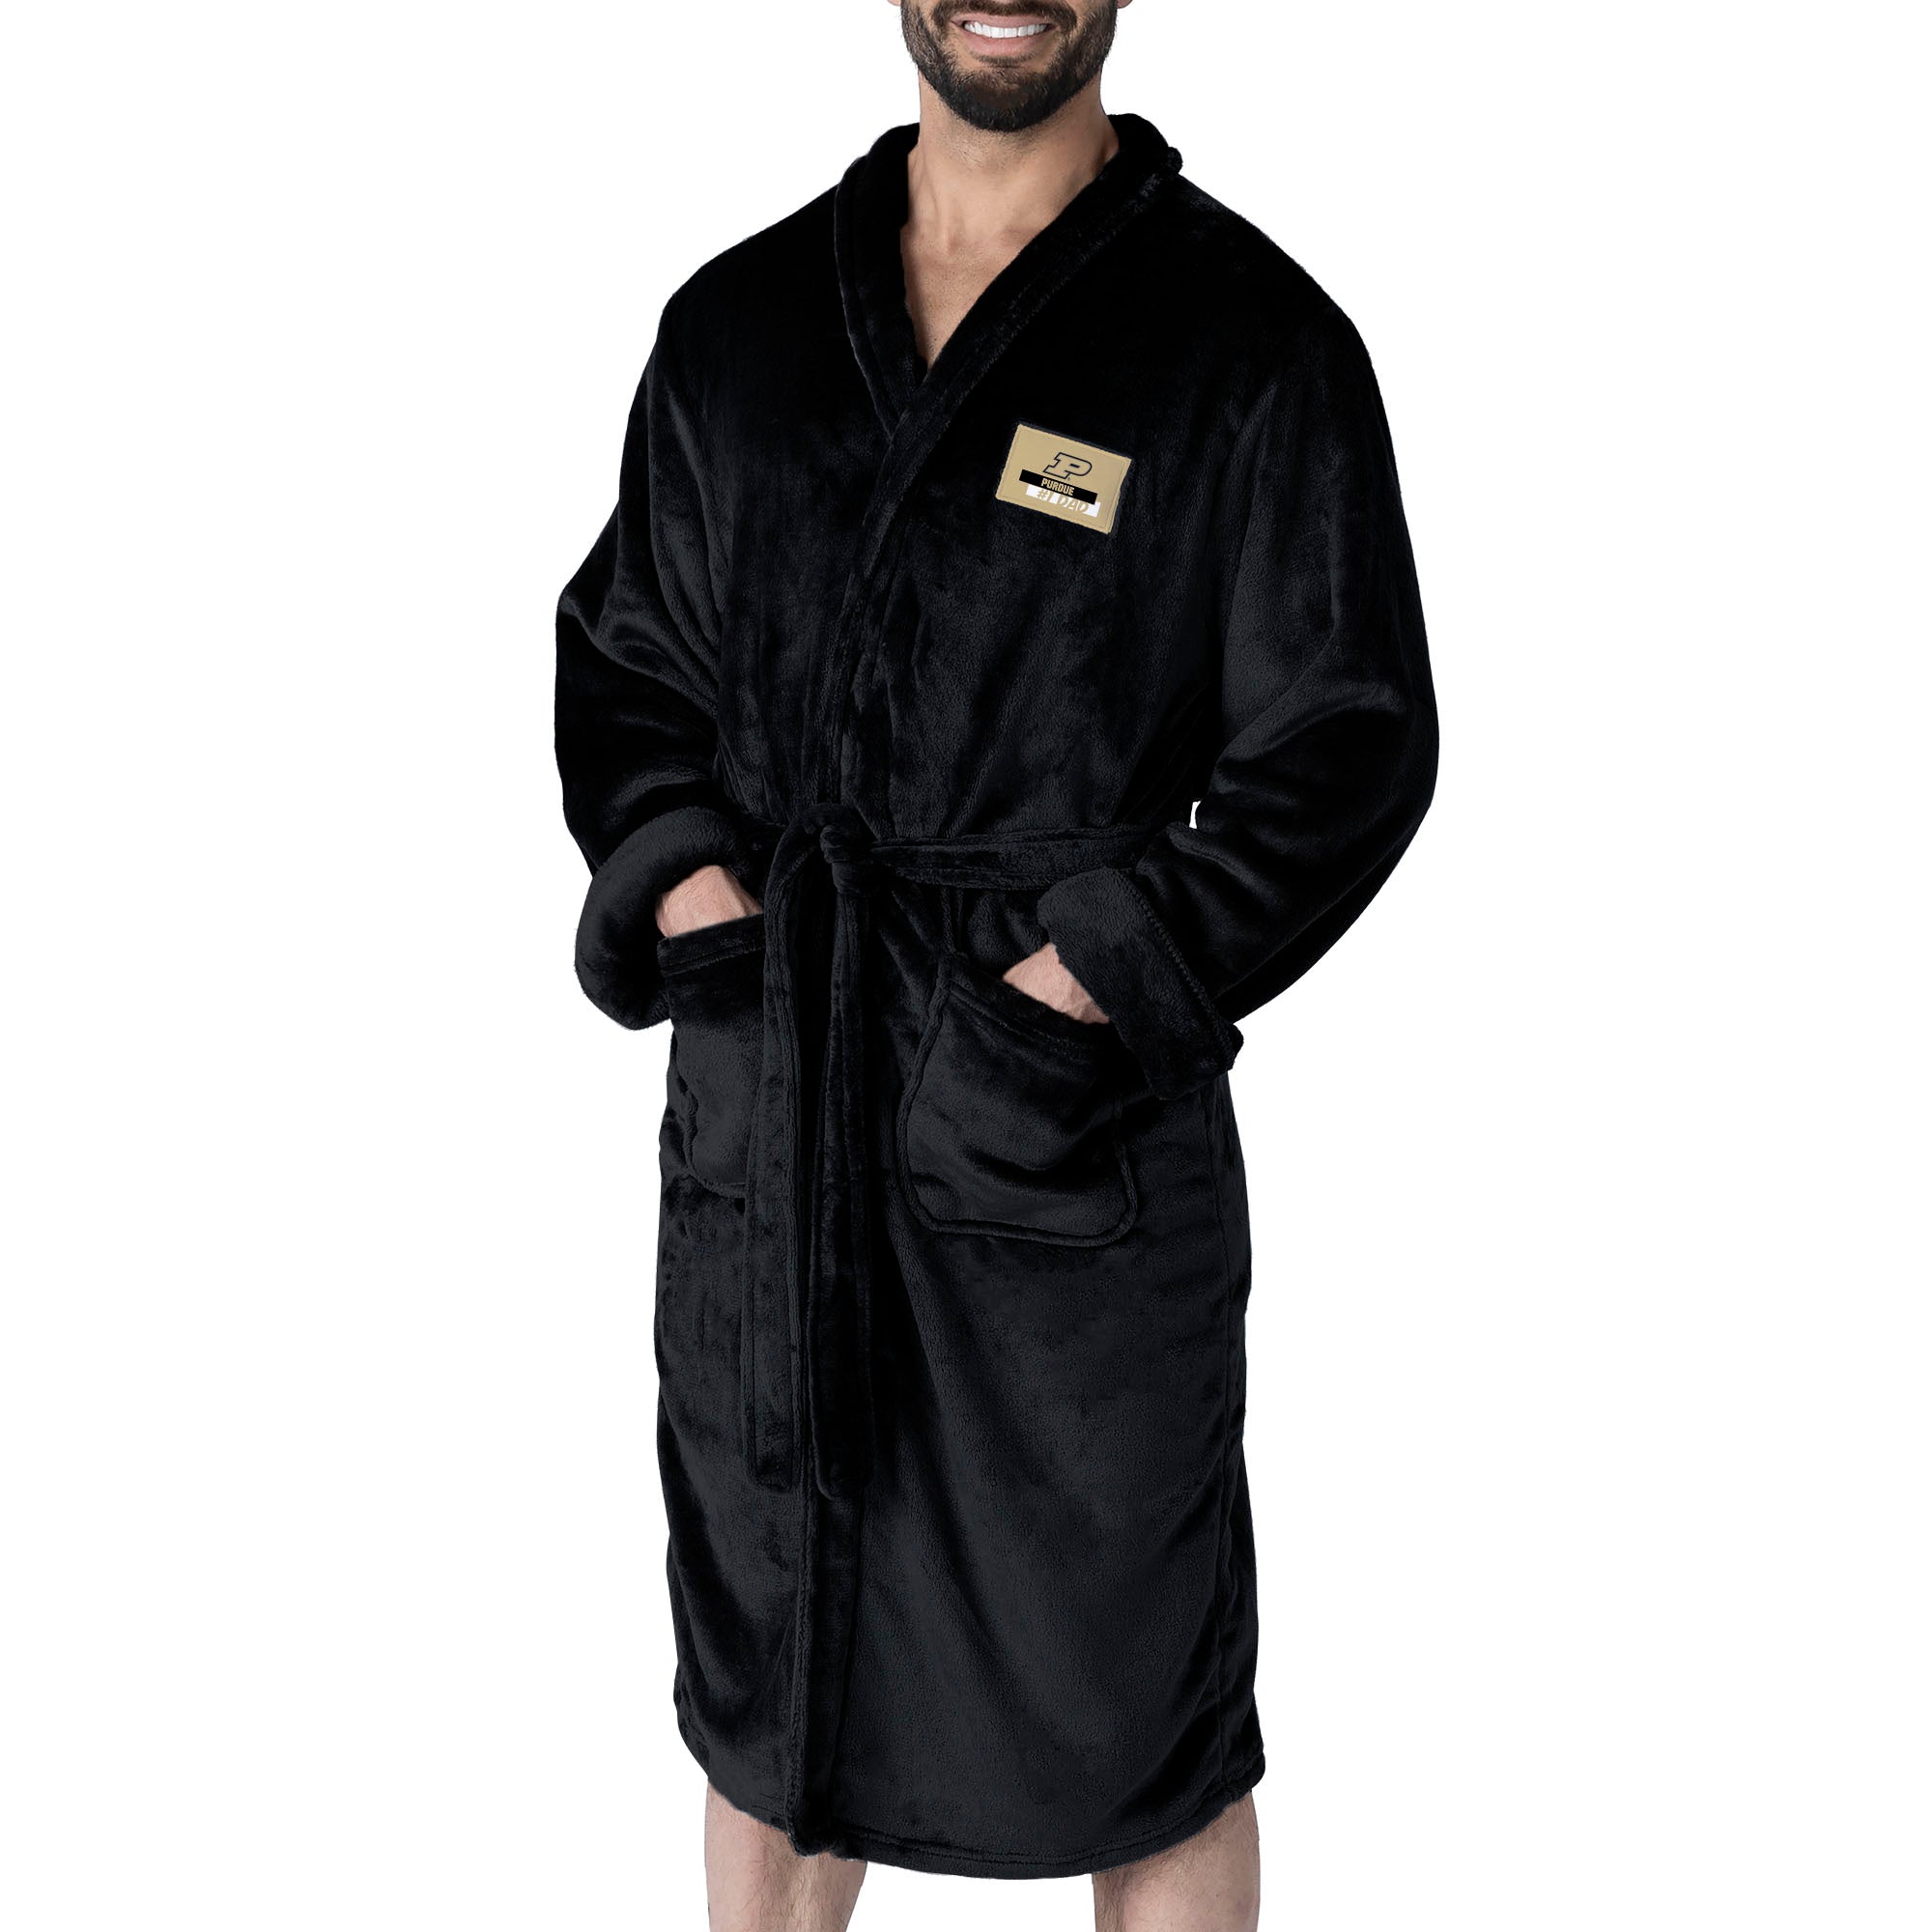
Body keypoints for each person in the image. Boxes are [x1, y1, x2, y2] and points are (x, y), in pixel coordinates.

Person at [555, 3, 1436, 1924]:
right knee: (777, 1711)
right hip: (776, 1133)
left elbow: (1346, 742)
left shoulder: (1246, 343)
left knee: (1147, 1727)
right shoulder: (739, 327)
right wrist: (700, 905)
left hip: (1062, 1154)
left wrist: (1088, 985)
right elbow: (628, 672)